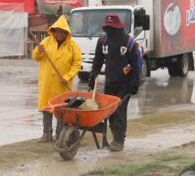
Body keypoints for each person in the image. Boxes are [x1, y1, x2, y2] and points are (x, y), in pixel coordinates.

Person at [87, 13, 140, 152]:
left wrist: (135, 84)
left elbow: (136, 65)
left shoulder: (129, 43)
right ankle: (114, 136)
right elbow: (97, 61)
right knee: (109, 112)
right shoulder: (103, 41)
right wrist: (93, 77)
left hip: (125, 84)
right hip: (110, 82)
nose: (108, 30)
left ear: (118, 28)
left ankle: (119, 140)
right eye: (107, 28)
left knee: (120, 112)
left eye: (111, 28)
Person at [32, 15, 82, 142]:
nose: (59, 34)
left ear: (66, 33)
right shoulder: (46, 42)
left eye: (62, 32)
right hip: (47, 83)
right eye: (57, 31)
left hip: (62, 84)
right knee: (47, 108)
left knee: (61, 110)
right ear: (53, 31)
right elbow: (36, 57)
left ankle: (60, 134)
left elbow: (77, 64)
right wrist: (39, 50)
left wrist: (67, 77)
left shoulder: (73, 46)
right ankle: (46, 134)